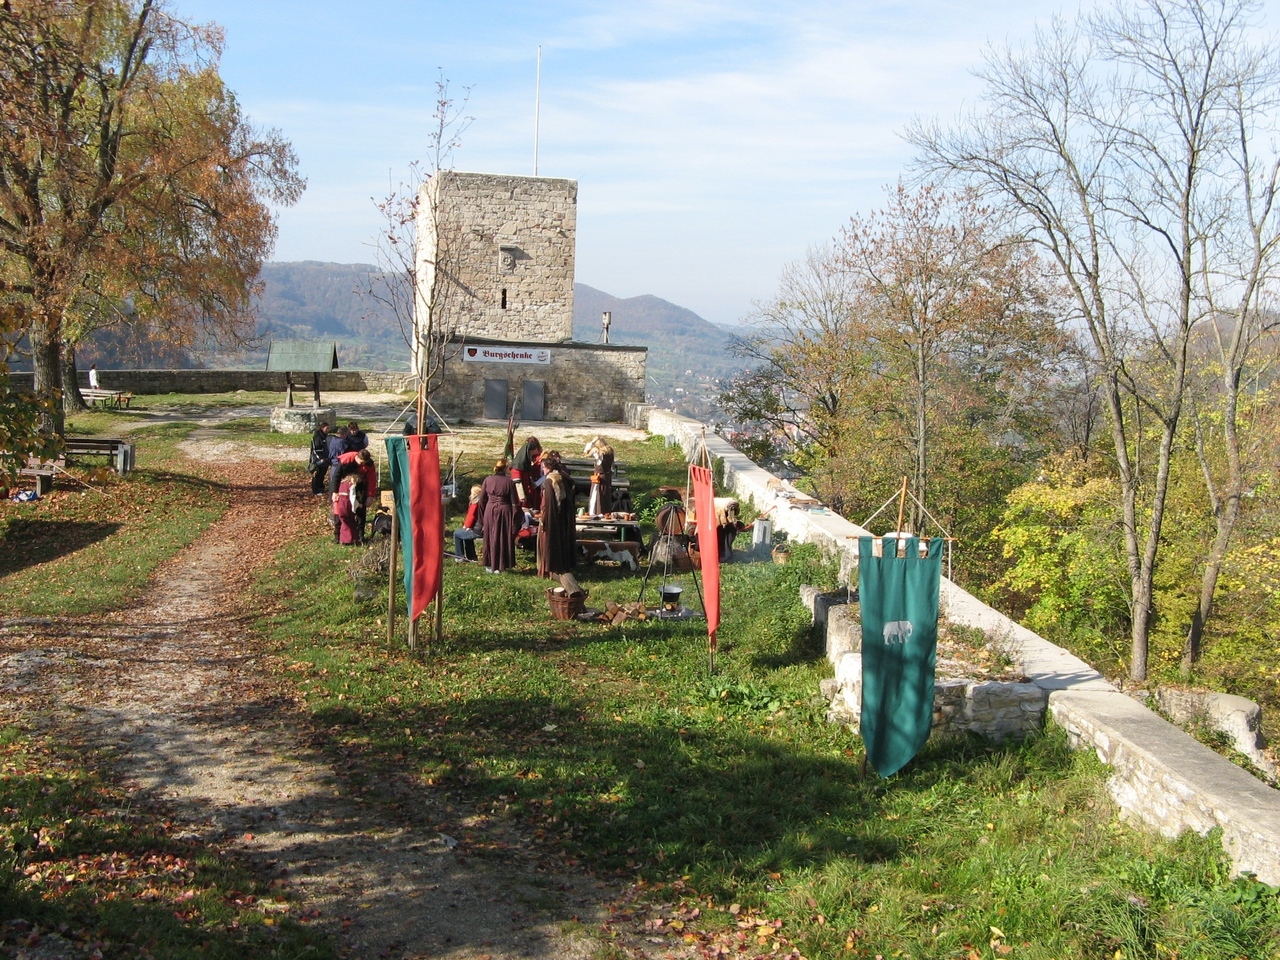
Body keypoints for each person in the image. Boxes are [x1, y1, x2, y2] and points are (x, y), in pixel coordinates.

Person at [537, 452, 577, 578]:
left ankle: (550, 569)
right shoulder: (564, 478)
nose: (543, 470)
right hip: (564, 518)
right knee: (562, 541)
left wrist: (543, 519)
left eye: (544, 467)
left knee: (548, 542)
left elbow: (547, 504)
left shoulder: (549, 481)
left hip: (552, 518)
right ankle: (563, 566)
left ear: (548, 468)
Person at [477, 459, 522, 573]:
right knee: (502, 536)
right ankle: (501, 564)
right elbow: (515, 502)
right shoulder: (509, 482)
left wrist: (481, 518)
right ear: (506, 468)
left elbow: (481, 500)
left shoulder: (488, 480)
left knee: (490, 536)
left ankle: (489, 564)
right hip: (504, 510)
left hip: (490, 510)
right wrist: (517, 517)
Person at [331, 461, 365, 545]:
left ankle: (342, 538)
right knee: (350, 522)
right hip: (347, 506)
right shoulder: (352, 486)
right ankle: (350, 539)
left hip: (340, 506)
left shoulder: (342, 484)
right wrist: (357, 505)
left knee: (343, 521)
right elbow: (352, 498)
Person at [510, 437, 543, 510]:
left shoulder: (525, 464)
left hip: (528, 493)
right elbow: (518, 484)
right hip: (521, 497)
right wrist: (522, 498)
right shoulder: (517, 466)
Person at [452, 484, 483, 562]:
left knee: (457, 534)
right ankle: (472, 557)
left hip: (478, 529)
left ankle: (459, 557)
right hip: (482, 528)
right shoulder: (484, 502)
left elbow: (471, 516)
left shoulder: (475, 503)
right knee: (466, 537)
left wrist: (466, 526)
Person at [308, 421, 331, 495]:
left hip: (325, 459)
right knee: (317, 474)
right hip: (317, 460)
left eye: (329, 428)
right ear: (322, 428)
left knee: (322, 474)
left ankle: (321, 487)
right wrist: (320, 458)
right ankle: (316, 490)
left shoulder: (326, 436)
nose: (328, 430)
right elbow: (315, 449)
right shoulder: (317, 437)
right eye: (327, 428)